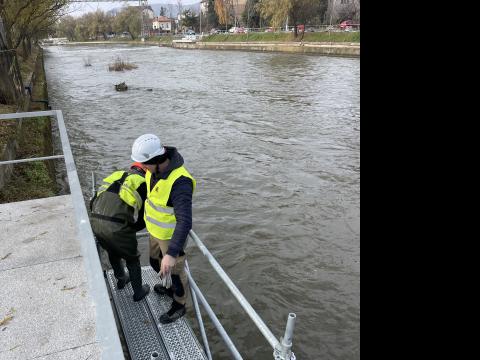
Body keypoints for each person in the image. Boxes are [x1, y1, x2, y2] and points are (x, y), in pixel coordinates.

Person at [131, 134, 196, 324]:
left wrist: (172, 253)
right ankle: (168, 289)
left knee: (174, 272)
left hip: (170, 237)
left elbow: (185, 221)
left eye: (145, 165)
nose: (143, 169)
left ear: (158, 160)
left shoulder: (180, 182)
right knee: (153, 263)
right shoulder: (154, 171)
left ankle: (179, 304)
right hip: (154, 231)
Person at [90, 162, 150, 302]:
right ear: (146, 171)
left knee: (113, 251)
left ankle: (122, 279)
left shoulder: (115, 175)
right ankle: (138, 292)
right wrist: (130, 230)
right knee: (132, 259)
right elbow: (144, 218)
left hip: (96, 223)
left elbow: (92, 202)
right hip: (117, 228)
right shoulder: (143, 183)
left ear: (132, 168)